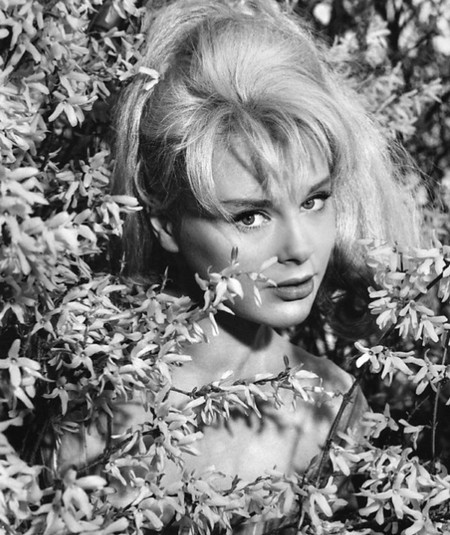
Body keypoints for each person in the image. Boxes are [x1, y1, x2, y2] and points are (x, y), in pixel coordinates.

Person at [58, 0, 422, 532]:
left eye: (314, 200)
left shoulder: (336, 408)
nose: (299, 247)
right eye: (250, 216)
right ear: (164, 223)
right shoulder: (89, 402)